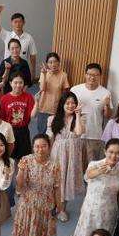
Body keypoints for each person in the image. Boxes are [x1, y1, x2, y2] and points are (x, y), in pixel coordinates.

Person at [72, 139, 119, 236]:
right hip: (91, 209)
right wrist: (98, 171)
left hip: (109, 211)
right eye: (111, 152)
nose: (114, 155)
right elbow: (87, 176)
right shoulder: (94, 165)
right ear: (105, 151)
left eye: (117, 153)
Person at [11, 134, 62, 236]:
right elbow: (20, 185)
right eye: (37, 147)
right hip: (28, 204)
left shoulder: (55, 166)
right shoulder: (26, 161)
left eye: (44, 146)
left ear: (49, 147)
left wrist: (59, 205)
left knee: (43, 232)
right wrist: (21, 170)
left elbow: (57, 187)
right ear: (33, 148)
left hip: (46, 206)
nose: (40, 150)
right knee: (25, 230)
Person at [47, 92, 85, 222]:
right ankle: (53, 205)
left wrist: (78, 115)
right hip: (57, 153)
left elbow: (79, 132)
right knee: (56, 181)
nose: (70, 105)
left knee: (68, 181)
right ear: (62, 104)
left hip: (72, 154)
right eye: (67, 103)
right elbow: (49, 138)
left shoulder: (79, 119)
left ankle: (62, 209)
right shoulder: (52, 119)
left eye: (73, 103)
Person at [70, 63, 112, 162]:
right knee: (74, 163)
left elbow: (108, 116)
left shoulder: (105, 93)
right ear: (85, 74)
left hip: (95, 136)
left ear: (100, 76)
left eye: (96, 75)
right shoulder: (75, 90)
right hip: (76, 134)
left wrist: (107, 105)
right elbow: (67, 111)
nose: (92, 77)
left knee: (92, 165)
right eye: (90, 74)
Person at [0, 73, 35, 160]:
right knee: (9, 159)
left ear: (24, 84)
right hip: (9, 130)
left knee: (24, 159)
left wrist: (37, 103)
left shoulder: (28, 97)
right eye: (15, 83)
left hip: (23, 131)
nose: (18, 85)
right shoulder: (4, 99)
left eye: (20, 82)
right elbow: (1, 118)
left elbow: (32, 115)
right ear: (10, 83)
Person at [33, 52, 69, 137]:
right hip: (43, 109)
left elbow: (65, 94)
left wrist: (63, 110)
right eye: (50, 62)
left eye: (55, 61)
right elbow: (42, 88)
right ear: (47, 64)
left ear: (59, 62)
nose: (53, 64)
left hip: (56, 110)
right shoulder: (44, 73)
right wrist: (44, 74)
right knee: (42, 134)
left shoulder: (63, 75)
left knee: (54, 135)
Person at [0, 4, 37, 70]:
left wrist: (33, 72)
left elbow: (33, 56)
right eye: (15, 22)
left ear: (24, 23)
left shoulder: (29, 38)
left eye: (20, 22)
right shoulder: (7, 35)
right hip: (8, 68)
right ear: (11, 23)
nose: (18, 24)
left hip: (22, 69)